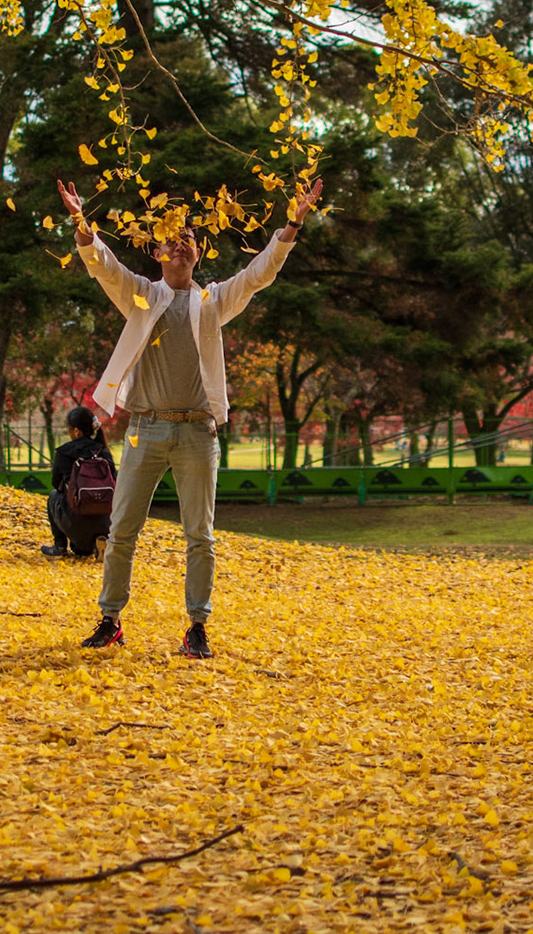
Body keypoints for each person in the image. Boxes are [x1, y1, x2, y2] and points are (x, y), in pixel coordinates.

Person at [55, 174, 324, 658]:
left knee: (200, 535)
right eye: (172, 241)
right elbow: (103, 265)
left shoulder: (211, 301)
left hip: (198, 431)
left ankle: (197, 626)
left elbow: (258, 274)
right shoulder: (140, 294)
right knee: (121, 532)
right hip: (145, 429)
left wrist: (290, 225)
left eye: (190, 241)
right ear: (157, 252)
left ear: (198, 254)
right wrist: (80, 220)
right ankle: (110, 619)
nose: (181, 246)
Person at [42, 406, 114, 558]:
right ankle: (99, 543)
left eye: (68, 428)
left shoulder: (64, 452)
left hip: (75, 519)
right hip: (106, 521)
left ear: (76, 431)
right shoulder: (103, 451)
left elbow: (56, 484)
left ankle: (59, 546)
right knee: (80, 551)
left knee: (53, 495)